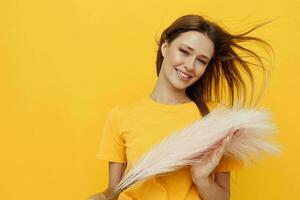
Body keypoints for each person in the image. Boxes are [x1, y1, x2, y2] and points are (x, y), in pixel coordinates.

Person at [88, 14, 274, 200]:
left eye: (201, 60)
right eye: (184, 51)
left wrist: (202, 179)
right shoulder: (120, 116)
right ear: (165, 47)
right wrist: (101, 198)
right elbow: (113, 191)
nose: (190, 66)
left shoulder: (216, 119)